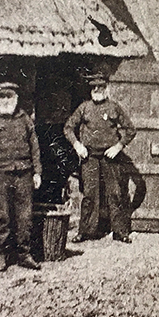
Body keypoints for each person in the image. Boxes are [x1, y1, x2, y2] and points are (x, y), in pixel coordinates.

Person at [0, 82, 42, 272]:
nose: (6, 100)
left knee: (25, 216)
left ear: (16, 98)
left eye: (9, 96)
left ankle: (24, 254)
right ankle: (2, 255)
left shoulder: (24, 119)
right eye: (2, 96)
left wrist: (37, 172)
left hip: (23, 173)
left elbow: (34, 147)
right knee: (2, 216)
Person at [64, 74, 137, 243]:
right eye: (94, 88)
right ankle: (85, 231)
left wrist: (118, 147)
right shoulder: (84, 108)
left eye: (101, 87)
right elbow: (68, 128)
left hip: (109, 158)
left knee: (115, 194)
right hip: (90, 157)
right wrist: (77, 146)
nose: (97, 91)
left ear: (106, 89)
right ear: (90, 90)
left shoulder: (114, 108)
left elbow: (131, 129)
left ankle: (120, 232)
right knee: (90, 194)